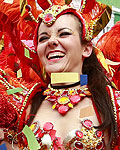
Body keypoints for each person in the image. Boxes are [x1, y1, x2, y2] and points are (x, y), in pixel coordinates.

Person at [0, 0, 120, 149]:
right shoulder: (24, 109)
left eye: (63, 34)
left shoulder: (112, 104)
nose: (51, 41)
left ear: (87, 49)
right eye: (43, 38)